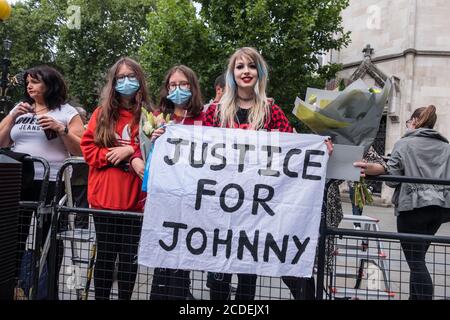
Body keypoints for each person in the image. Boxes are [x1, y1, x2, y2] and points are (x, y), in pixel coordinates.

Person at [203, 47, 332, 300]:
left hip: (256, 211)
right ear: (232, 74)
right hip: (220, 208)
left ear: (259, 72)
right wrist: (166, 137)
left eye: (251, 66)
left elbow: (292, 147)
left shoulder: (271, 112)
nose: (246, 71)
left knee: (247, 280)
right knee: (218, 279)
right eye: (239, 67)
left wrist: (319, 148)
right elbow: (198, 147)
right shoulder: (214, 112)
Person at [0, 65, 84, 298]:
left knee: (49, 236)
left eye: (35, 81)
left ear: (50, 83)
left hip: (52, 181)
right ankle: (13, 285)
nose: (29, 85)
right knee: (13, 234)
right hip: (20, 180)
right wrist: (12, 117)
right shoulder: (21, 109)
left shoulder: (66, 111)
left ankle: (48, 290)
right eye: (27, 81)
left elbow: (82, 150)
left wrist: (61, 130)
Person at [354, 105, 450, 300]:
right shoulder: (445, 146)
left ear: (414, 122)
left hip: (412, 208)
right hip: (439, 209)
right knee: (418, 258)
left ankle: (423, 297)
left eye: (408, 122)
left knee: (415, 261)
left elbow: (392, 179)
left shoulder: (404, 144)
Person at [130, 65, 204, 300]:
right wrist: (143, 152)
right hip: (164, 199)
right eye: (173, 85)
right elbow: (138, 149)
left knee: (184, 255)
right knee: (164, 254)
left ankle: (181, 295)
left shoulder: (206, 118)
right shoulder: (159, 117)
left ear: (192, 87)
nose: (178, 89)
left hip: (193, 198)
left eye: (183, 84)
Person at [80, 57, 151, 300]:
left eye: (131, 76)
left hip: (135, 201)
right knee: (106, 256)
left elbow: (156, 151)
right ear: (113, 82)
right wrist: (117, 155)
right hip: (104, 199)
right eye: (120, 77)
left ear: (140, 80)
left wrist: (132, 151)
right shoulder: (101, 114)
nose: (126, 82)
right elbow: (88, 150)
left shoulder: (149, 116)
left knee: (130, 258)